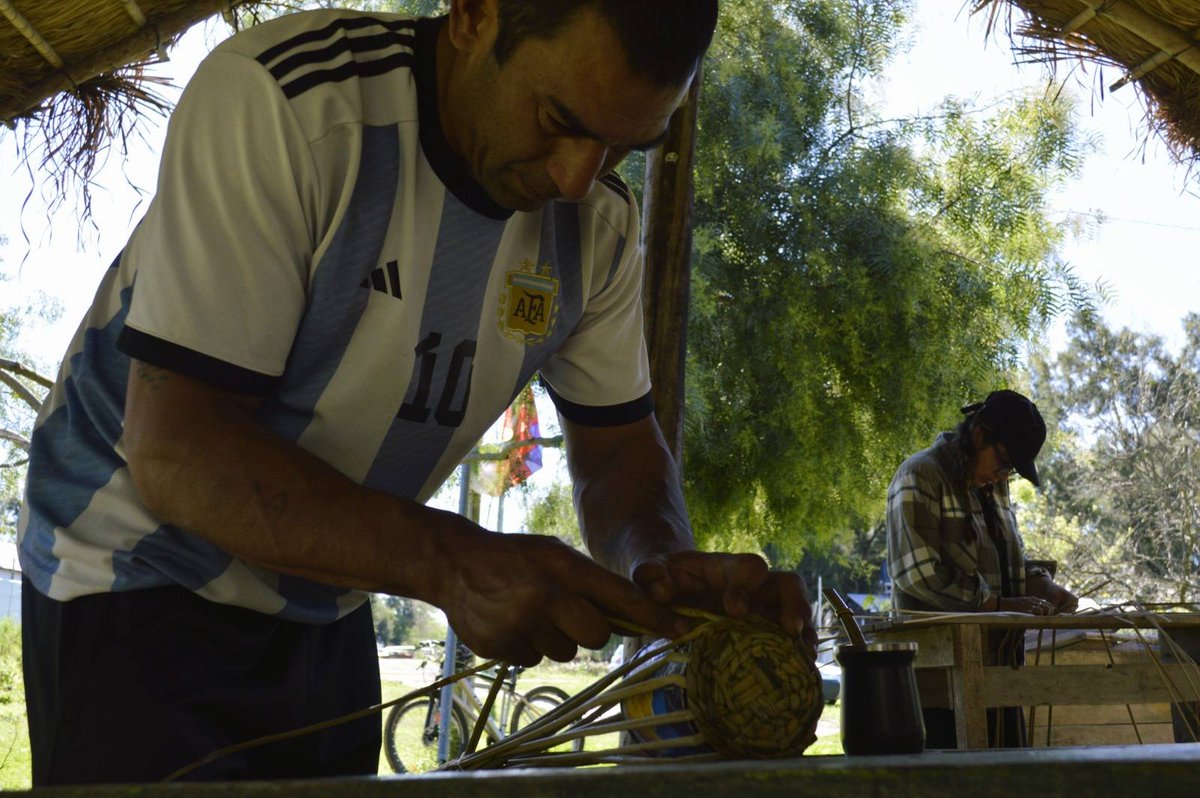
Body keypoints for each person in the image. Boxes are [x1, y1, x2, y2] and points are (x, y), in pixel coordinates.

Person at [17, 0, 815, 785]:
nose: (578, 180)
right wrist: (453, 562)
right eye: (557, 119)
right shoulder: (289, 104)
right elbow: (178, 451)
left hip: (327, 604)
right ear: (473, 15)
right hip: (132, 577)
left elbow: (617, 452)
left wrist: (665, 571)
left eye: (621, 145)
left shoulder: (600, 226)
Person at [886, 389, 1079, 748]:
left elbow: (1010, 562)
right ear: (978, 435)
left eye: (1012, 470)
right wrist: (994, 606)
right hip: (939, 685)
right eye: (1004, 462)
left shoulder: (994, 488)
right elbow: (918, 573)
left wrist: (1044, 587)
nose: (1004, 475)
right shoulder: (920, 475)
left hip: (1000, 676)